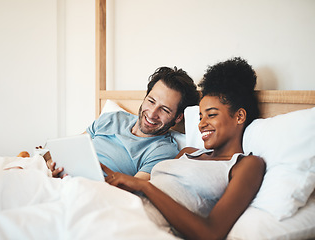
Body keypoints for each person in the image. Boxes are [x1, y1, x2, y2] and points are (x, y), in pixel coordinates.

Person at [101, 57, 266, 239]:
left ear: (240, 116)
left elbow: (210, 233)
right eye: (200, 116)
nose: (202, 124)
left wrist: (144, 187)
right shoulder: (187, 153)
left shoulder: (247, 165)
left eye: (211, 115)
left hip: (143, 228)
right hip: (119, 209)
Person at [46, 66, 199, 180]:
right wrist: (54, 165)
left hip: (92, 190)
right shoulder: (112, 118)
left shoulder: (162, 151)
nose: (152, 114)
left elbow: (134, 188)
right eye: (151, 101)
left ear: (178, 117)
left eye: (164, 110)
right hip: (62, 179)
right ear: (145, 98)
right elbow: (70, 148)